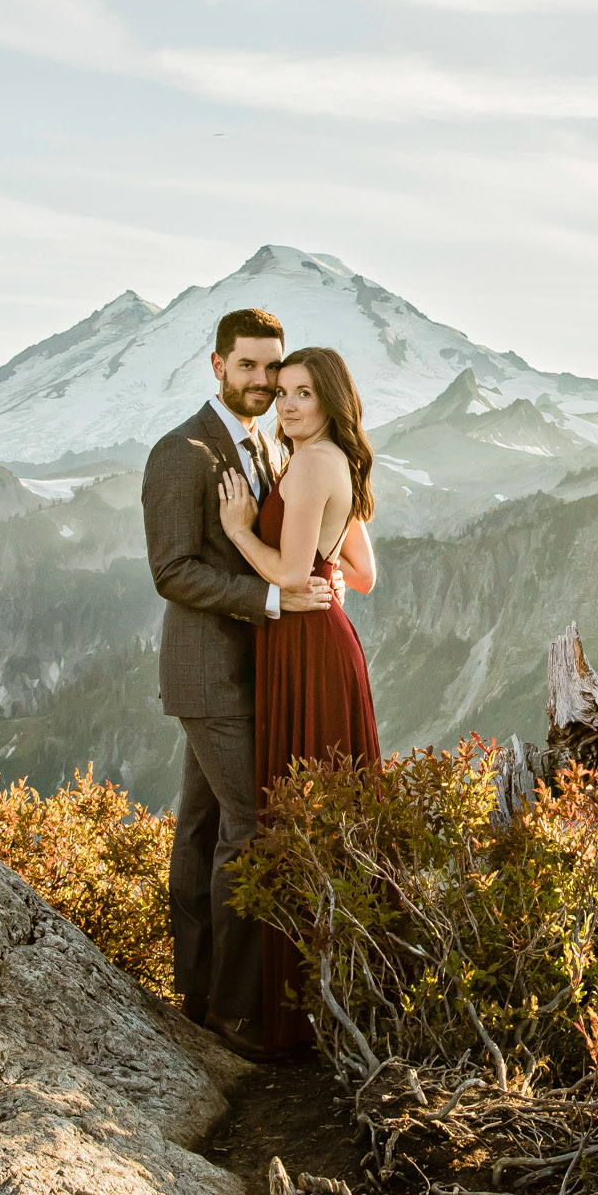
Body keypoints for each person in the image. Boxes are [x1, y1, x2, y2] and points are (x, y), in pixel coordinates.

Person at [142, 308, 336, 1063]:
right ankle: (232, 1012)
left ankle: (197, 992)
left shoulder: (266, 444)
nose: (263, 383)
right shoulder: (183, 453)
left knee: (200, 830)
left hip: (247, 674)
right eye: (248, 367)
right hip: (209, 674)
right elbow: (170, 570)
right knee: (251, 827)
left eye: (272, 368)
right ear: (216, 365)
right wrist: (270, 600)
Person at [216, 344, 381, 1055]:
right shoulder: (331, 459)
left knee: (299, 825)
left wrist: (237, 531)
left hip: (307, 648)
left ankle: (298, 1026)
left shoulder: (313, 462)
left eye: (303, 393)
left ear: (331, 400)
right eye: (281, 392)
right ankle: (338, 1008)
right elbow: (365, 573)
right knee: (326, 826)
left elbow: (284, 574)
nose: (286, 404)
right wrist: (328, 568)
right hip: (322, 642)